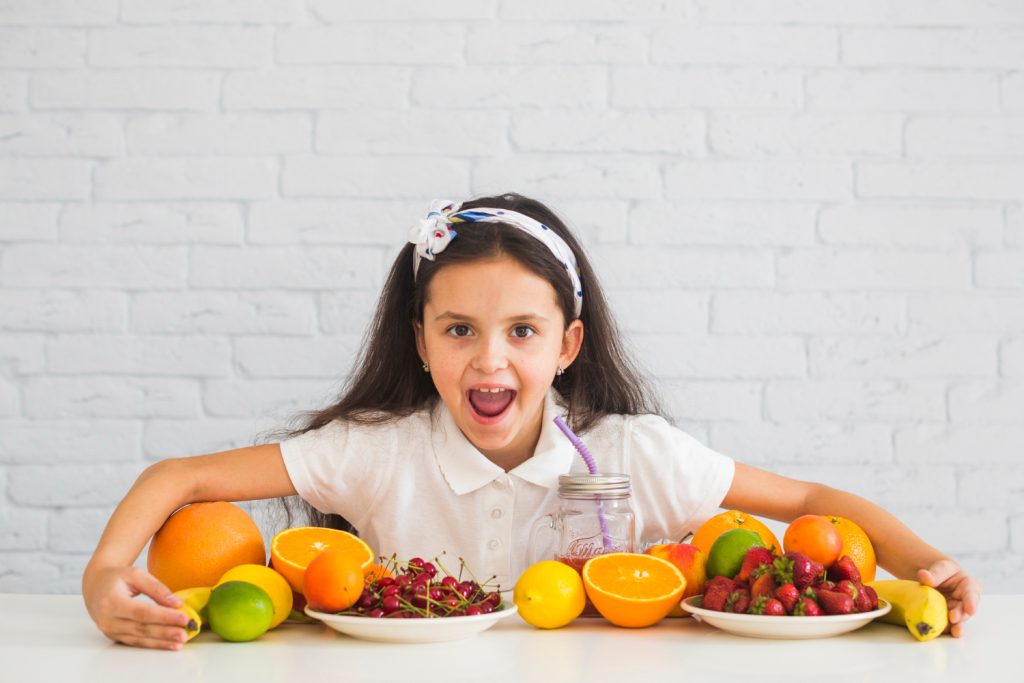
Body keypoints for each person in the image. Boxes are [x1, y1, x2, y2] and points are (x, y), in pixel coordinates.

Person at [82, 193, 980, 650]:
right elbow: (180, 478)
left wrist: (921, 565)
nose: (489, 360)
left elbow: (816, 499)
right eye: (459, 330)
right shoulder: (375, 453)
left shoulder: (636, 453)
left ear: (567, 344)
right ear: (420, 340)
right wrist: (105, 578)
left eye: (522, 331)